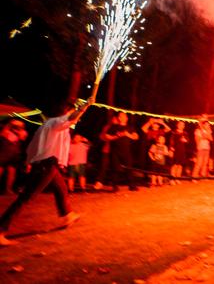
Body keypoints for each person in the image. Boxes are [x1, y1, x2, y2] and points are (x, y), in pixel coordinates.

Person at [0, 97, 93, 246]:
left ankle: (67, 214)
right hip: (46, 165)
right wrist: (85, 106)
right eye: (71, 110)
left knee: (61, 189)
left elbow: (34, 144)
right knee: (26, 198)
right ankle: (1, 229)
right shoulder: (56, 123)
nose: (72, 113)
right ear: (65, 111)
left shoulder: (50, 124)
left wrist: (29, 160)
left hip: (49, 164)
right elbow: (72, 119)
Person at [103, 112, 139, 192]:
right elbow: (106, 136)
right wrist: (116, 136)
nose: (122, 117)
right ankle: (115, 187)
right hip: (115, 151)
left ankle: (131, 186)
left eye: (124, 116)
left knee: (129, 168)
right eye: (120, 116)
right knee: (115, 169)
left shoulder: (130, 128)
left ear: (127, 118)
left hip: (126, 151)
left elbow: (136, 137)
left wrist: (127, 134)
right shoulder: (114, 127)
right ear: (118, 118)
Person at [0, 118, 29, 195]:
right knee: (6, 171)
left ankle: (7, 189)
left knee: (11, 172)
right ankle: (7, 189)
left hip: (12, 154)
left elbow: (23, 138)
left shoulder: (20, 132)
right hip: (5, 153)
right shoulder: (5, 131)